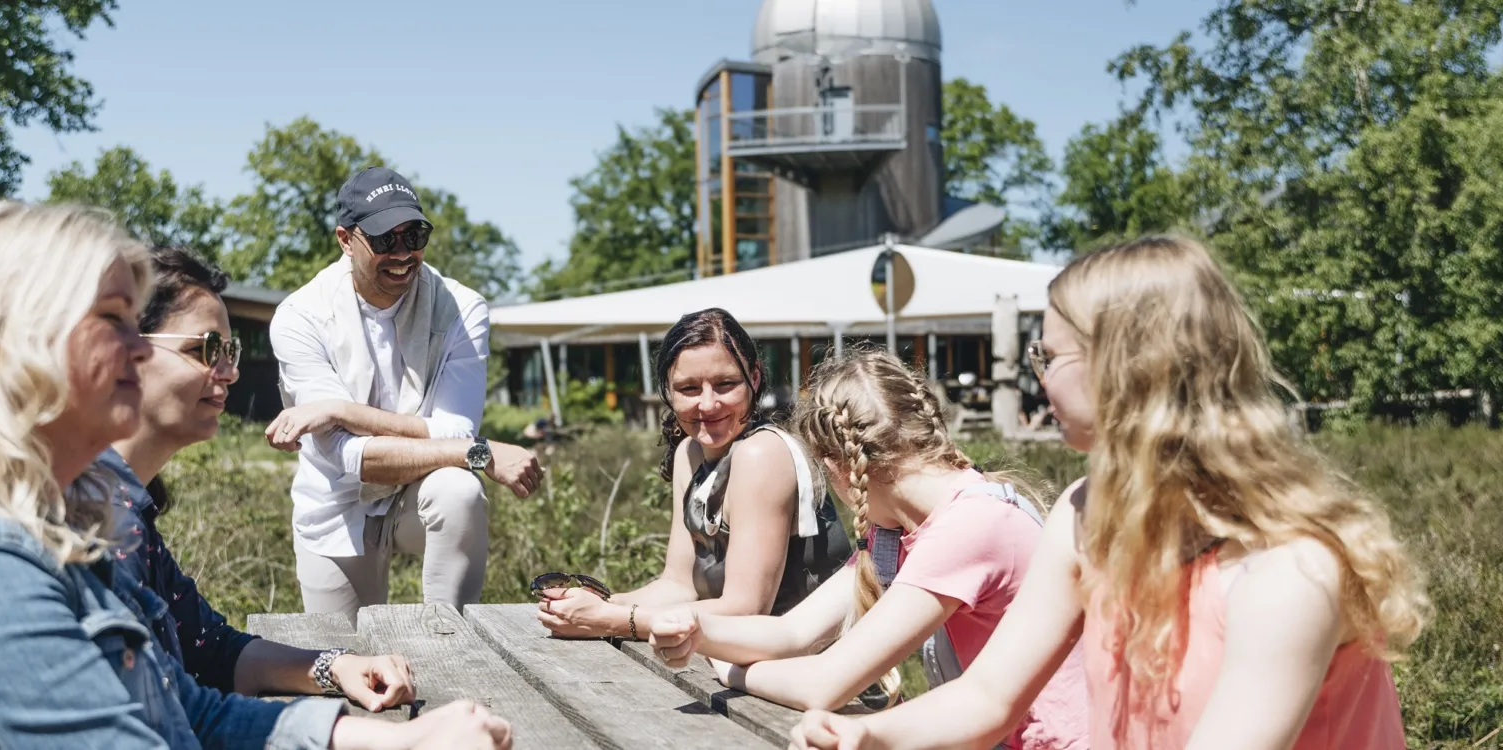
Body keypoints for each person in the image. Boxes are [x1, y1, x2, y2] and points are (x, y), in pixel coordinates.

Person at [0, 201, 510, 749]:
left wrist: (389, 738)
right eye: (113, 322)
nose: (137, 346)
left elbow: (185, 708)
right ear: (11, 340)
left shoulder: (67, 520)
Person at [788, 236, 1432, 750]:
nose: (1038, 380)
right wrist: (867, 733)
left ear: (1126, 366)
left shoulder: (1288, 571)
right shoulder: (1085, 511)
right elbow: (988, 698)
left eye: (1049, 356)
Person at [646, 349, 1089, 750]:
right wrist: (699, 632)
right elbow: (794, 633)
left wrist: (730, 670)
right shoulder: (898, 530)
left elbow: (825, 682)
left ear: (841, 467)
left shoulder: (970, 525)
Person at [95, 244, 415, 710]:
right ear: (126, 350)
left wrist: (337, 665)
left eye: (231, 350)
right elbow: (164, 712)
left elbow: (213, 651)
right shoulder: (89, 522)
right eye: (206, 350)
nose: (230, 371)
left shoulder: (130, 511)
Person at [265, 166, 541, 619]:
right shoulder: (300, 316)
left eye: (414, 236)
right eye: (383, 240)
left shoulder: (461, 307)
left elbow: (456, 430)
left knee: (459, 492)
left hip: (421, 489)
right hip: (337, 503)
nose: (402, 254)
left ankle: (450, 639)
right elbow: (349, 456)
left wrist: (339, 409)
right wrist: (482, 453)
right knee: (346, 660)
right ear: (344, 239)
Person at [535, 308, 852, 639]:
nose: (708, 404)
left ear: (754, 378)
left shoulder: (763, 454)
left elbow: (747, 609)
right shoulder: (690, 452)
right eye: (689, 388)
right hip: (747, 662)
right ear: (668, 391)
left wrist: (613, 620)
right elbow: (678, 584)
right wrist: (600, 604)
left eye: (725, 384)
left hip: (818, 670)